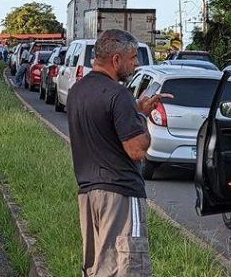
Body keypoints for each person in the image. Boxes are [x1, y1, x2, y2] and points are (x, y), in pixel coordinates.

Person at [67, 29, 172, 277]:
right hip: (121, 194)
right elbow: (137, 150)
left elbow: (104, 124)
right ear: (116, 59)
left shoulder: (77, 92)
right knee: (127, 267)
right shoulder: (118, 93)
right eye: (133, 58)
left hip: (89, 194)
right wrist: (141, 118)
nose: (136, 64)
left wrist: (137, 111)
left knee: (98, 269)